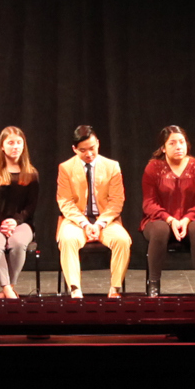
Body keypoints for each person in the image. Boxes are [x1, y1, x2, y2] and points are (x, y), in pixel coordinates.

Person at [55, 125, 131, 298]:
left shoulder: (112, 167)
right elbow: (65, 201)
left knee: (122, 240)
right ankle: (75, 290)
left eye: (92, 148)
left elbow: (116, 201)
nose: (88, 154)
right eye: (83, 150)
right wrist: (84, 223)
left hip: (104, 220)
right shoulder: (65, 168)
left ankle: (115, 289)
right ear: (74, 149)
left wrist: (99, 223)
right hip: (76, 221)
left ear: (98, 143)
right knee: (67, 239)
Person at [141, 125, 195, 297]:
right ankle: (154, 285)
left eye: (182, 142)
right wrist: (170, 219)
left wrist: (186, 219)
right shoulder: (153, 168)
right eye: (172, 143)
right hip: (159, 221)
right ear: (163, 148)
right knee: (159, 230)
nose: (179, 146)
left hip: (190, 221)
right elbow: (149, 203)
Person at [0, 126, 40, 299]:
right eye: (11, 143)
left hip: (22, 223)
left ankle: (9, 287)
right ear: (2, 146)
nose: (15, 147)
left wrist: (15, 221)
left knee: (18, 243)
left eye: (19, 143)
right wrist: (3, 222)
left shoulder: (31, 174)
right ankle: (8, 290)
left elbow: (31, 205)